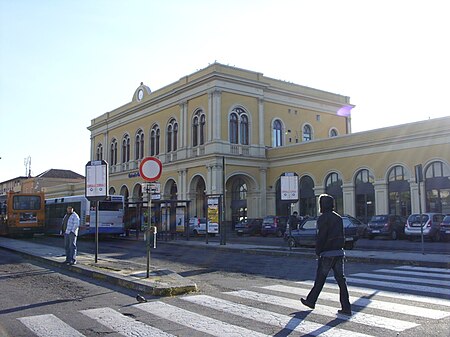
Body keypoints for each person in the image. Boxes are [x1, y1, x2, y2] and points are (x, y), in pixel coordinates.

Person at [300, 194, 352, 316]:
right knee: (341, 281)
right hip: (339, 252)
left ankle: (311, 301)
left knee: (320, 279)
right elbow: (341, 235)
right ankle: (346, 307)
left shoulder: (323, 218)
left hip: (327, 253)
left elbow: (321, 237)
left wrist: (318, 251)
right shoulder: (338, 218)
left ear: (322, 205)